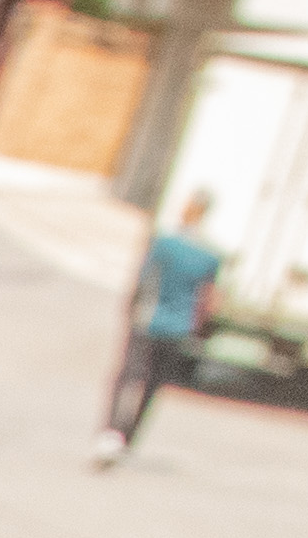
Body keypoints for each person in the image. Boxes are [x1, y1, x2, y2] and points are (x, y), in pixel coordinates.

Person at [97, 191, 226, 465]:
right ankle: (128, 436)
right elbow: (207, 299)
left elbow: (143, 278)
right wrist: (198, 327)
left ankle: (110, 431)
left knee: (127, 375)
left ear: (187, 210)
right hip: (178, 328)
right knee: (153, 383)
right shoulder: (209, 256)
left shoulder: (164, 243)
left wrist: (131, 308)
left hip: (148, 320)